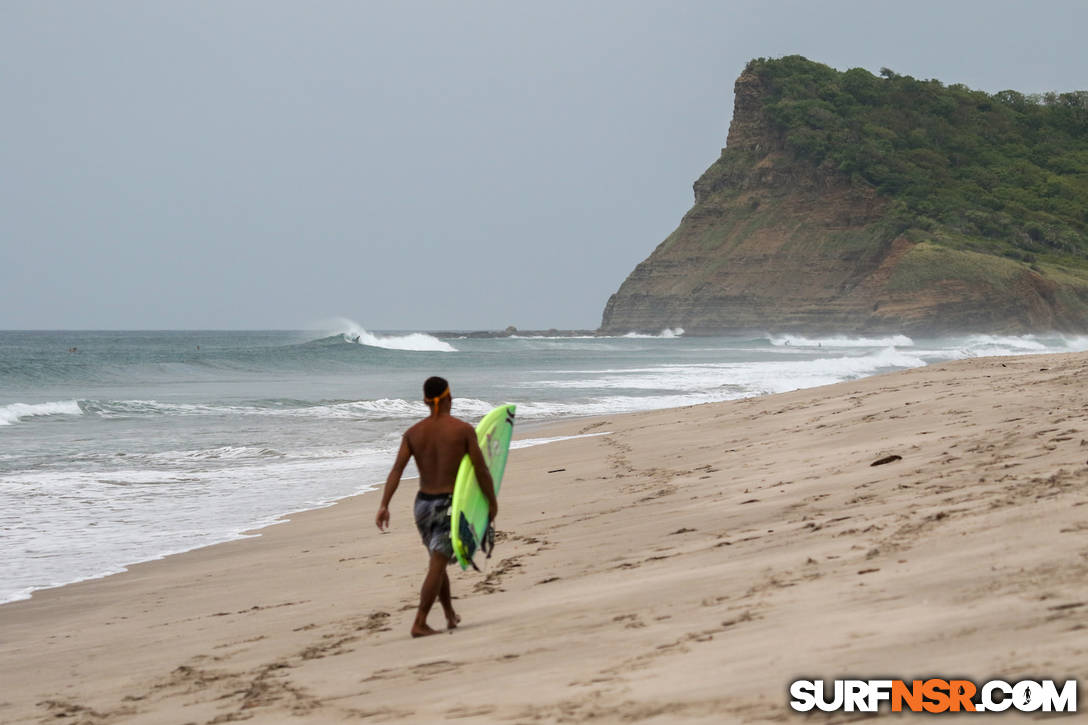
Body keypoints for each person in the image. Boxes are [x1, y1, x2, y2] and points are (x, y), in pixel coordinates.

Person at [375, 376, 498, 638]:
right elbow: (481, 470)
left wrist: (384, 504)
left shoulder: (413, 433)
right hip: (448, 506)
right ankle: (420, 621)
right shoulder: (462, 430)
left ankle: (450, 615)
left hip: (422, 506)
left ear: (425, 401)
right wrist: (491, 501)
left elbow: (397, 470)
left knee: (436, 561)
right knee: (437, 565)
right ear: (449, 398)